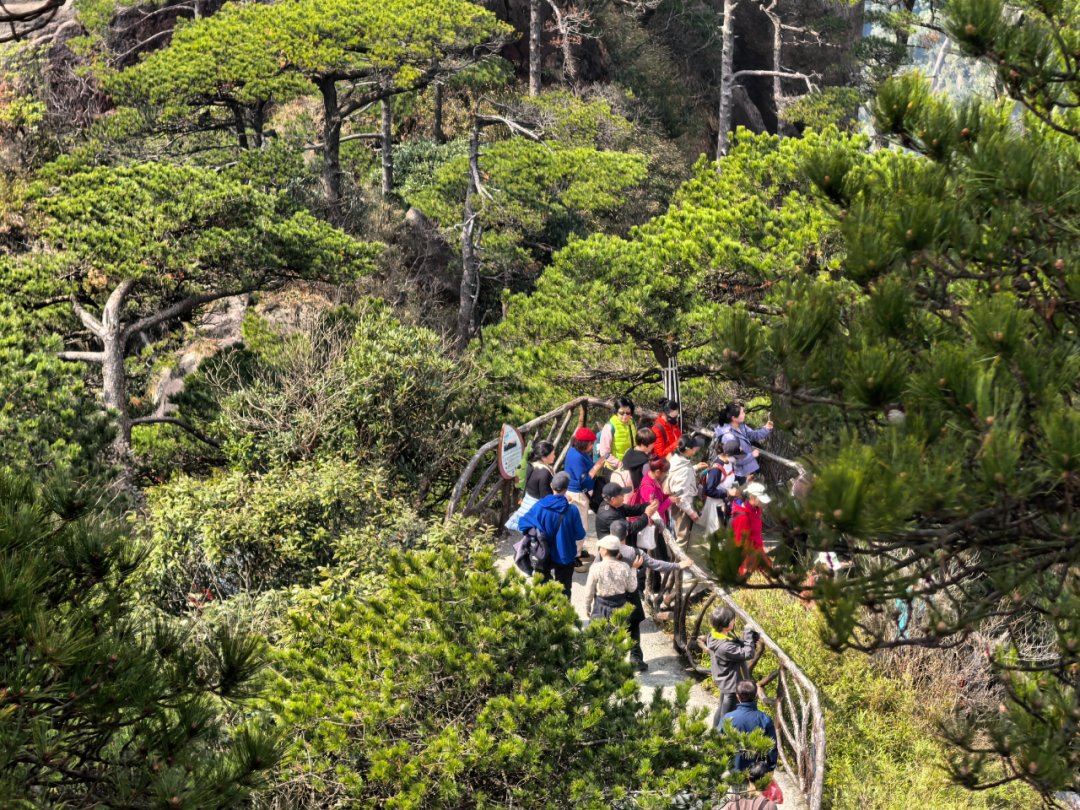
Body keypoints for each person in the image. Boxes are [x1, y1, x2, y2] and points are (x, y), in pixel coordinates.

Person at [608, 519, 692, 671]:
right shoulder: (634, 553)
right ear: (627, 534)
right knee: (633, 627)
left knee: (613, 629)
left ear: (610, 534)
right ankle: (636, 659)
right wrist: (678, 565)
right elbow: (656, 564)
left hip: (610, 597)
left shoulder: (604, 551)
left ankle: (612, 662)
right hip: (629, 596)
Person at [518, 471, 587, 600]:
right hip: (565, 556)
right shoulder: (572, 510)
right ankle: (563, 618)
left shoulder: (539, 506)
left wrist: (537, 534)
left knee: (541, 591)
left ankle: (543, 616)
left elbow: (522, 525)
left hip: (542, 555)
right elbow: (580, 535)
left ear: (551, 485)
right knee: (564, 592)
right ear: (567, 489)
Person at [698, 606, 760, 727]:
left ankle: (715, 732)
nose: (734, 621)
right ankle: (720, 739)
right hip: (731, 684)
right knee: (727, 716)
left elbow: (737, 645)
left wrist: (751, 641)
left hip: (724, 679)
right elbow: (748, 654)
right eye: (733, 620)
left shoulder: (716, 634)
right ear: (725, 625)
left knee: (722, 707)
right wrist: (747, 633)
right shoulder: (724, 646)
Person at [719, 680, 779, 779]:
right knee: (757, 794)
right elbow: (772, 748)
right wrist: (771, 768)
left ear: (737, 696)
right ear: (756, 695)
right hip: (757, 773)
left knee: (736, 793)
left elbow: (718, 741)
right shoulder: (765, 719)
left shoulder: (728, 718)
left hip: (734, 771)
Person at [564, 427, 607, 563]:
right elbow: (584, 481)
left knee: (580, 525)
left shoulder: (578, 451)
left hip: (580, 495)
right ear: (584, 444)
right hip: (577, 496)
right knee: (580, 527)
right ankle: (574, 557)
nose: (592, 446)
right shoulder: (576, 457)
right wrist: (597, 466)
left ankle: (578, 551)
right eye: (591, 443)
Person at [666, 434, 709, 552]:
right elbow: (679, 495)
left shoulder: (677, 459)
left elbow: (681, 474)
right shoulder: (684, 470)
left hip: (680, 506)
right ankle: (678, 567)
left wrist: (694, 467)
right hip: (683, 509)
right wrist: (691, 512)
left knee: (677, 537)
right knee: (681, 540)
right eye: (695, 447)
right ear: (689, 449)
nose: (697, 448)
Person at [584, 535, 639, 622]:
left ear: (605, 550)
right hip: (620, 606)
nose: (600, 549)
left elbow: (589, 590)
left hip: (600, 607)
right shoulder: (625, 567)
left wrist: (587, 606)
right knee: (619, 633)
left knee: (599, 634)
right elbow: (631, 588)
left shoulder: (596, 567)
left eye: (601, 548)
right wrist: (634, 569)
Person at [505, 440, 556, 532]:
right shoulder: (545, 472)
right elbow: (545, 498)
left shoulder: (530, 466)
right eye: (552, 454)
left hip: (527, 502)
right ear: (544, 457)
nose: (554, 456)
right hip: (535, 509)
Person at [717, 402, 773, 484]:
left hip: (747, 470)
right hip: (738, 475)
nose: (744, 414)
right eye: (742, 413)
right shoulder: (728, 436)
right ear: (734, 418)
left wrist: (766, 429)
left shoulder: (741, 427)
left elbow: (754, 435)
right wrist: (752, 455)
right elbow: (735, 460)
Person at [698, 439, 744, 534]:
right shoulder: (716, 469)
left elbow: (730, 476)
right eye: (736, 457)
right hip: (715, 507)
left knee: (723, 533)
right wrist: (728, 493)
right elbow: (709, 491)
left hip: (724, 503)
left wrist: (743, 480)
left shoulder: (728, 462)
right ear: (728, 455)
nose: (737, 459)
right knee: (716, 535)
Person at [595, 398, 637, 499]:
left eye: (628, 413)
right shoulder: (609, 427)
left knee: (630, 498)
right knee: (616, 499)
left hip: (630, 468)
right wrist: (620, 464)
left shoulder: (632, 423)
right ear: (616, 411)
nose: (625, 416)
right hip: (613, 469)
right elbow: (605, 452)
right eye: (622, 413)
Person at [596, 482, 658, 546]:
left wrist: (649, 505)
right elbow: (632, 528)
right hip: (611, 550)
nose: (624, 496)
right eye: (622, 495)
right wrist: (647, 514)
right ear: (613, 499)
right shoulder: (608, 515)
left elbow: (631, 509)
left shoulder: (613, 505)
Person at [732, 482, 772, 576]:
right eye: (760, 499)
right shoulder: (743, 518)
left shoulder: (756, 510)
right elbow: (740, 543)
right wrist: (744, 566)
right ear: (751, 497)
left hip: (758, 552)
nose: (762, 502)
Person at [620, 427, 656, 492]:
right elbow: (648, 481)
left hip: (626, 491)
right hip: (639, 494)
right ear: (643, 444)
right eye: (651, 443)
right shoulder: (645, 462)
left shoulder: (628, 452)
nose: (653, 445)